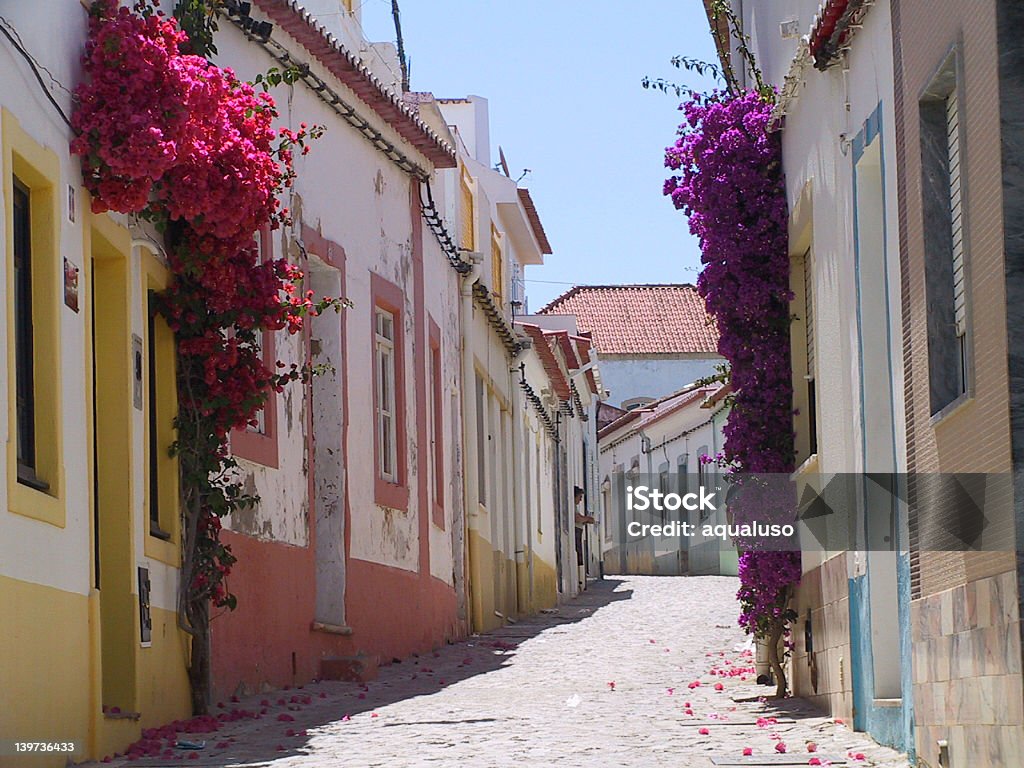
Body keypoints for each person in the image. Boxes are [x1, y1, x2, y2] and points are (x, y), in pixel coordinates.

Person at [573, 486, 595, 589]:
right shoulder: (572, 505)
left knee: (579, 555)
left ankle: (580, 580)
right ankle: (579, 580)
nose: (581, 499)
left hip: (578, 532)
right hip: (575, 533)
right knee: (578, 554)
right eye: (580, 497)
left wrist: (585, 519)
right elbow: (577, 518)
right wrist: (587, 519)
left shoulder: (574, 506)